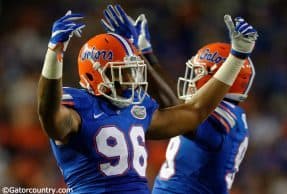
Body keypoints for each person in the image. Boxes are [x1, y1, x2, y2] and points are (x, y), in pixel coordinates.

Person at [37, 5, 257, 194]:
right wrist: (54, 54)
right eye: (123, 72)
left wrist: (236, 57)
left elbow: (194, 112)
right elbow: (49, 114)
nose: (133, 80)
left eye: (134, 71)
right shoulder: (79, 108)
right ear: (95, 74)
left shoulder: (136, 109)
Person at [152, 42, 254, 194]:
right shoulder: (224, 112)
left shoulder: (224, 116)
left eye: (198, 72)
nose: (192, 79)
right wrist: (148, 56)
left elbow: (173, 110)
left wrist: (145, 58)